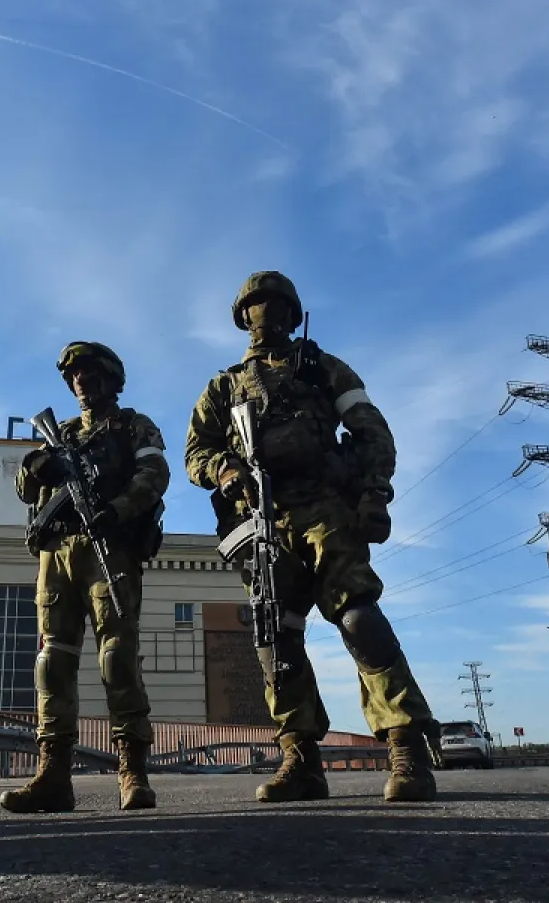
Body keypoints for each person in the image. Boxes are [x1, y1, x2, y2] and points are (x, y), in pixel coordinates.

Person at [184, 270, 440, 803]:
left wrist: (374, 493)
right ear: (243, 317)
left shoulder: (323, 367)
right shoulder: (223, 387)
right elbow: (196, 453)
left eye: (277, 305)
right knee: (275, 633)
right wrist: (227, 472)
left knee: (358, 617)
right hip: (261, 520)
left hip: (324, 509)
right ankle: (300, 757)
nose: (267, 314)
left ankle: (405, 747)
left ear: (293, 314)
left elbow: (371, 429)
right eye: (256, 306)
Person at [1, 341, 169, 813]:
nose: (81, 383)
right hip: (57, 553)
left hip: (108, 545)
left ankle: (132, 771)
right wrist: (35, 467)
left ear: (112, 380)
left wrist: (116, 511)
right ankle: (53, 774)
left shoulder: (134, 425)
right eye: (75, 377)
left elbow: (155, 472)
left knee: (117, 656)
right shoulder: (62, 434)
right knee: (52, 661)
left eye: (90, 375)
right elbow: (24, 487)